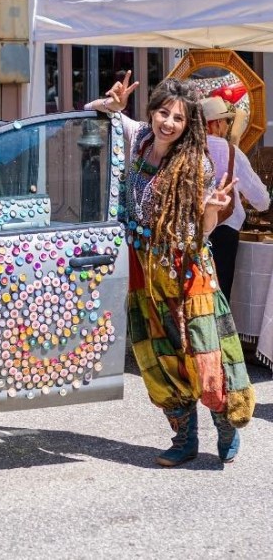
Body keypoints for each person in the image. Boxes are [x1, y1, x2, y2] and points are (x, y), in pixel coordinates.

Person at [86, 73, 254, 467]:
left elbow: (204, 233)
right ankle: (184, 437)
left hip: (187, 272)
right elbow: (93, 115)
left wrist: (212, 208)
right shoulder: (141, 139)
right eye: (164, 113)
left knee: (201, 354)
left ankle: (224, 424)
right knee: (159, 356)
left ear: (188, 124)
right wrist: (110, 105)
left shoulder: (196, 164)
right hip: (145, 270)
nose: (169, 123)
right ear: (153, 112)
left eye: (178, 118)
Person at [201, 95, 270, 300]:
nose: (227, 126)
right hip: (223, 234)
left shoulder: (185, 150)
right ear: (216, 123)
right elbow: (261, 199)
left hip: (190, 232)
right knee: (219, 296)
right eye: (226, 121)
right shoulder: (232, 152)